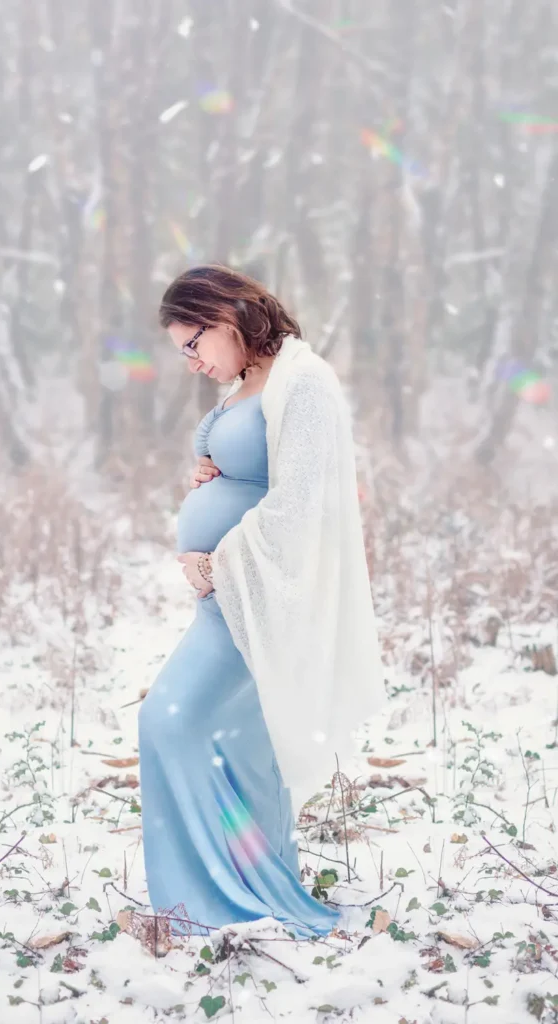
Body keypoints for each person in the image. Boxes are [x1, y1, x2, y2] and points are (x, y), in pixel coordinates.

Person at [137, 264, 386, 950]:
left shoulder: (303, 381)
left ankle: (219, 899)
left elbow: (301, 501)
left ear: (224, 317)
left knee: (171, 719)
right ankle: (240, 890)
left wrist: (219, 563)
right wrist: (207, 471)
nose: (190, 363)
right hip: (233, 598)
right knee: (238, 745)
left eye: (192, 344)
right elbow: (253, 469)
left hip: (262, 594)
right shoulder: (247, 382)